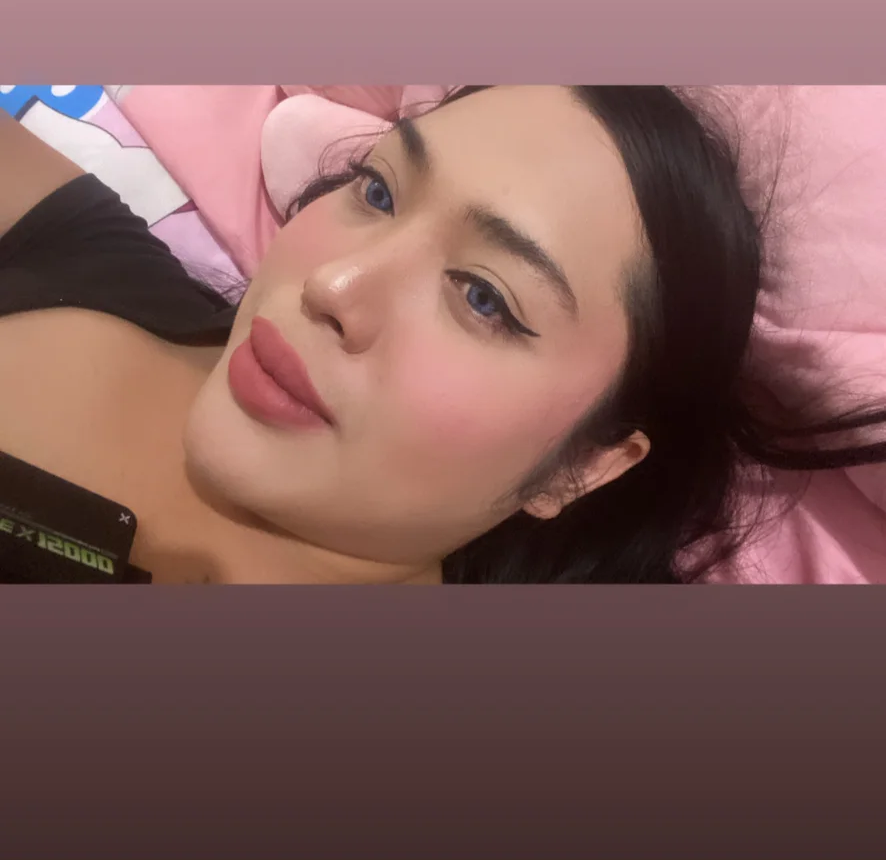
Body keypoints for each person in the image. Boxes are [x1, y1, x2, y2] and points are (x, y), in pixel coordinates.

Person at [1, 84, 884, 585]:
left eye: (484, 298)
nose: (335, 286)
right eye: (378, 192)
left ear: (586, 464)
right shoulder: (104, 262)